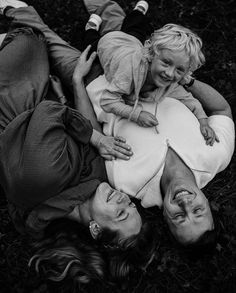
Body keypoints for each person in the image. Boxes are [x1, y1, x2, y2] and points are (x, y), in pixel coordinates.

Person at [0, 0, 157, 285]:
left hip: (14, 96)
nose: (125, 200)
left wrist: (94, 136)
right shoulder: (92, 187)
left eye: (121, 214)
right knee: (80, 62)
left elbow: (51, 116)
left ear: (96, 230)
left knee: (29, 39)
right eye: (132, 208)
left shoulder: (45, 178)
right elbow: (85, 129)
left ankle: (17, 16)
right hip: (45, 102)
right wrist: (74, 84)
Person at [85, 0, 218, 145]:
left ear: (186, 72)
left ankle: (138, 11)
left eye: (179, 69)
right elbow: (107, 100)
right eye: (166, 63)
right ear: (151, 54)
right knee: (90, 46)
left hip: (132, 44)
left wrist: (203, 122)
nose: (169, 73)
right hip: (110, 45)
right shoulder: (128, 72)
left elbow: (190, 101)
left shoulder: (171, 84)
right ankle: (91, 28)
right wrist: (136, 115)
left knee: (135, 29)